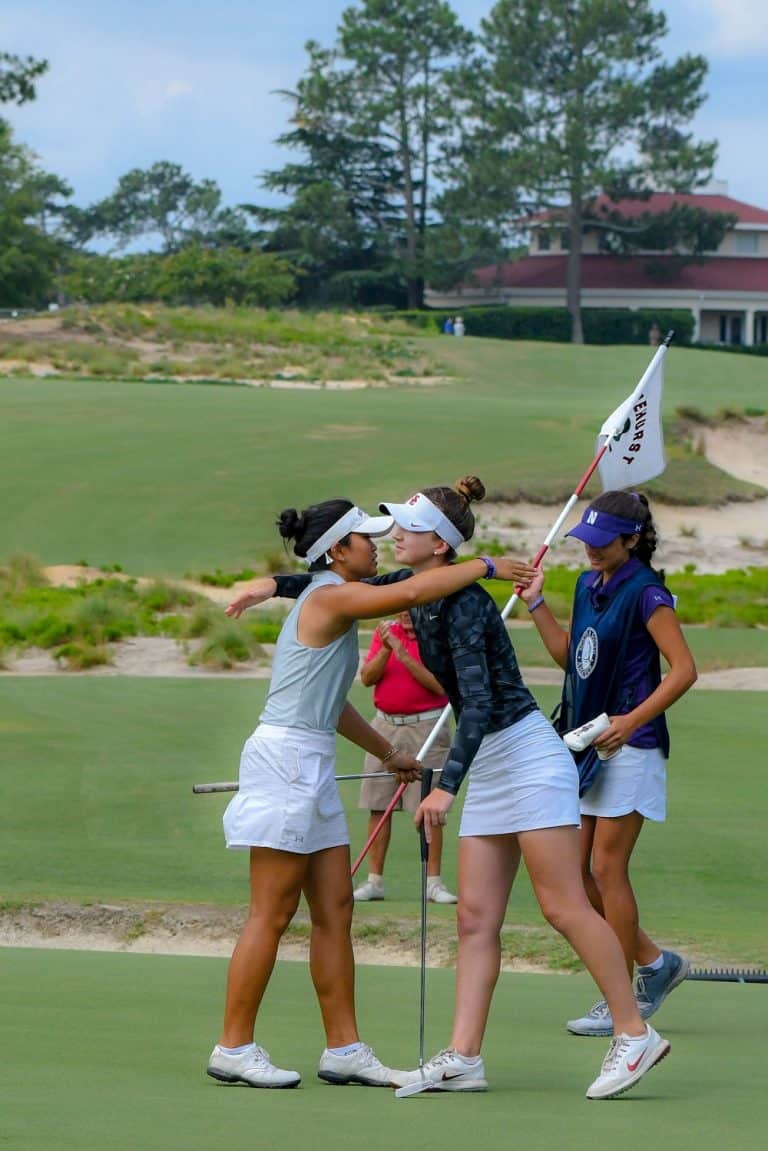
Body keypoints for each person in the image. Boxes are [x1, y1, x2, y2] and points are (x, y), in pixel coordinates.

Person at [265, 479, 672, 1100]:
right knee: (476, 920)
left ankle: (633, 1032)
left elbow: (478, 704)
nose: (395, 536)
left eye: (408, 529)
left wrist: (445, 788)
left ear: (440, 545)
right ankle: (463, 1057)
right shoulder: (422, 590)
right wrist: (269, 586)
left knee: (563, 906)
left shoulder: (465, 604)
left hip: (528, 756)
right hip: (491, 765)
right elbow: (332, 590)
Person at [206, 497, 535, 1090]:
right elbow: (411, 594)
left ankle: (345, 1049)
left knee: (335, 910)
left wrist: (389, 754)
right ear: (337, 551)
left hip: (307, 759)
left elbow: (330, 704)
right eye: (365, 538)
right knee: (273, 912)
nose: (376, 545)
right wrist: (487, 566)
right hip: (285, 762)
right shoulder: (331, 597)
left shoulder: (327, 594)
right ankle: (233, 1046)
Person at [519, 490, 697, 1037]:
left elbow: (684, 670)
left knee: (604, 868)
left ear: (631, 540)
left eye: (601, 543)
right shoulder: (586, 584)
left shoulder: (649, 594)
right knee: (575, 871)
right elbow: (570, 655)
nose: (591, 551)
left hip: (632, 743)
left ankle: (619, 997)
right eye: (587, 542)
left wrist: (629, 720)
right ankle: (654, 963)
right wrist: (535, 604)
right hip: (589, 744)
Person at [353, 611, 457, 905]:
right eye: (402, 608)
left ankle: (433, 883)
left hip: (428, 726)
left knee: (429, 808)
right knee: (377, 805)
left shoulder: (437, 635)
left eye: (413, 609)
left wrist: (402, 652)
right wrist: (387, 648)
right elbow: (367, 678)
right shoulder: (384, 633)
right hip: (384, 727)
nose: (406, 614)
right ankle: (374, 882)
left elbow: (442, 686)